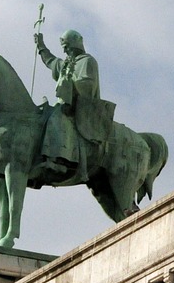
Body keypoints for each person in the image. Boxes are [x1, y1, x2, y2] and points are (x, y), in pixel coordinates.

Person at [35, 28, 114, 180]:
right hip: (65, 103)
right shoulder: (67, 63)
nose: (65, 52)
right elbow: (52, 62)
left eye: (67, 48)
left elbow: (88, 84)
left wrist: (70, 84)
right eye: (64, 49)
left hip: (82, 107)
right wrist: (41, 47)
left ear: (74, 45)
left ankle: (58, 160)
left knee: (56, 117)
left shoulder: (87, 61)